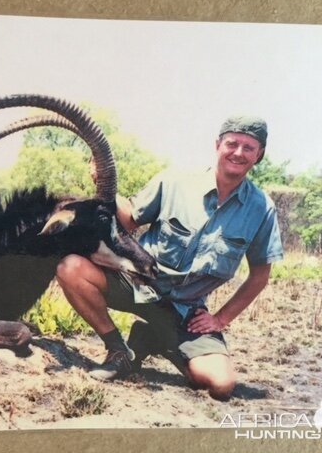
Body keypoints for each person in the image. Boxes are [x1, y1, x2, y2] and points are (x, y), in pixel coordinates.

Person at [56, 116, 283, 400]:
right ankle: (118, 350)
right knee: (71, 268)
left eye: (248, 147)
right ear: (217, 145)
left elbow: (260, 276)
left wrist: (220, 319)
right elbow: (129, 221)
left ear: (258, 155)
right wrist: (103, 184)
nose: (238, 153)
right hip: (138, 285)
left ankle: (152, 338)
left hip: (186, 311)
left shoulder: (262, 209)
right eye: (232, 143)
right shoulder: (175, 180)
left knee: (221, 385)